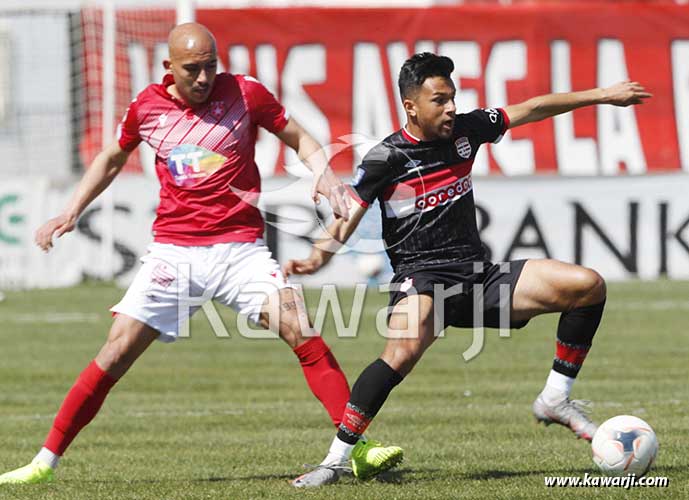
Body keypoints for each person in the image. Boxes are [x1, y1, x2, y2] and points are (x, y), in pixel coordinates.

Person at [0, 23, 402, 485]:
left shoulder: (246, 93)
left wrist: (324, 175)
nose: (204, 77)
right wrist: (70, 211)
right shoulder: (146, 107)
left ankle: (356, 448)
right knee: (115, 352)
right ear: (168, 67)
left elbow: (300, 137)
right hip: (174, 253)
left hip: (240, 251)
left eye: (211, 66)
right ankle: (43, 463)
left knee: (301, 328)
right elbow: (112, 157)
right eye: (193, 68)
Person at [285, 52, 652, 487]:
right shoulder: (387, 158)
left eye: (453, 98)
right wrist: (320, 257)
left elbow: (533, 107)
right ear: (411, 107)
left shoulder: (467, 131)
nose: (451, 108)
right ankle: (335, 461)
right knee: (400, 353)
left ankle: (555, 398)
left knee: (587, 286)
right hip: (423, 279)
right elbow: (350, 210)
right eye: (439, 100)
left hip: (479, 277)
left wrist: (603, 95)